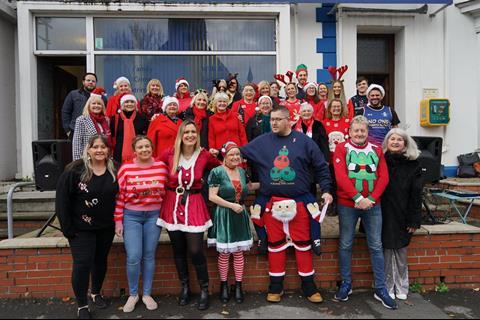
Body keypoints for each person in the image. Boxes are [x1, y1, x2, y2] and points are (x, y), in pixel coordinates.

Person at [241, 106, 333, 304]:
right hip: (271, 204)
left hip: (300, 203)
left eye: (278, 119)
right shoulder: (262, 141)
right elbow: (238, 153)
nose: (273, 123)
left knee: (303, 246)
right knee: (275, 246)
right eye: (271, 119)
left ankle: (309, 287)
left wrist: (326, 189)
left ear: (289, 120)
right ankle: (275, 287)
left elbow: (321, 167)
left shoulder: (304, 142)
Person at [332, 115, 397, 310]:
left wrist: (371, 198)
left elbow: (384, 176)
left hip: (373, 205)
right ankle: (346, 284)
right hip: (348, 205)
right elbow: (340, 175)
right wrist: (357, 198)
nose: (359, 134)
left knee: (376, 245)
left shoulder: (377, 149)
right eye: (356, 130)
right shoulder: (341, 148)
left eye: (363, 130)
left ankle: (380, 288)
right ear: (349, 132)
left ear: (367, 132)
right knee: (345, 243)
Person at [157, 120, 221, 311]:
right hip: (172, 205)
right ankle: (184, 287)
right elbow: (152, 166)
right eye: (187, 132)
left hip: (194, 204)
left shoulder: (204, 155)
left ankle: (204, 289)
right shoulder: (169, 153)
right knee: (178, 250)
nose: (190, 135)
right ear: (181, 135)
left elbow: (218, 168)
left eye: (193, 132)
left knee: (195, 250)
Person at [56, 134, 118, 319]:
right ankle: (82, 305)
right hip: (80, 228)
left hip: (106, 227)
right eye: (95, 146)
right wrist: (67, 229)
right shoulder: (74, 171)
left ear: (108, 150)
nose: (99, 150)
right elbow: (62, 201)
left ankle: (96, 292)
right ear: (88, 150)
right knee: (82, 264)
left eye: (103, 147)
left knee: (100, 261)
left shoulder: (115, 169)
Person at [114, 136, 168, 313]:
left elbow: (167, 194)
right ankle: (133, 294)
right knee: (133, 256)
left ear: (152, 148)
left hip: (153, 216)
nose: (144, 149)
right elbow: (120, 196)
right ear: (134, 150)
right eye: (140, 147)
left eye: (147, 146)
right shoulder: (126, 169)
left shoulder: (161, 167)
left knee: (149, 255)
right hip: (132, 217)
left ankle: (146, 294)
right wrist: (118, 220)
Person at [208, 142, 255, 304]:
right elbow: (212, 196)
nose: (235, 157)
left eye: (237, 154)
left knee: (238, 253)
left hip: (239, 214)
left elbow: (248, 188)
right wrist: (231, 205)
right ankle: (224, 286)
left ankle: (239, 285)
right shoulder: (217, 172)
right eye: (231, 155)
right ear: (225, 156)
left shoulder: (242, 172)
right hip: (224, 214)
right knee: (225, 253)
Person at [381, 128, 422, 301]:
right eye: (392, 139)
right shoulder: (380, 160)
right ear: (387, 142)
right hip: (383, 211)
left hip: (403, 212)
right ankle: (388, 286)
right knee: (386, 251)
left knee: (401, 251)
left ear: (405, 144)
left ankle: (402, 285)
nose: (396, 142)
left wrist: (414, 219)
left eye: (400, 140)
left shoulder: (413, 165)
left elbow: (416, 194)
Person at [110, 94, 149, 163]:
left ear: (135, 104)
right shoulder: (115, 119)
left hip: (139, 155)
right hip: (118, 157)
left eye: (132, 102)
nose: (129, 104)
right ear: (122, 104)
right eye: (126, 102)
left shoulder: (143, 118)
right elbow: (111, 136)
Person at [72, 94, 111, 161]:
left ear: (102, 106)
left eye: (99, 104)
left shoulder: (106, 120)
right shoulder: (82, 119)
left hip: (104, 158)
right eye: (93, 103)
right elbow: (77, 144)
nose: (96, 106)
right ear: (89, 106)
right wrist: (78, 162)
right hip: (88, 159)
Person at [208, 92, 248, 157]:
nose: (222, 103)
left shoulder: (235, 115)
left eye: (224, 101)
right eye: (219, 101)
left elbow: (242, 134)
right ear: (215, 103)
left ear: (227, 103)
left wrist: (245, 150)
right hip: (221, 153)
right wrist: (213, 151)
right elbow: (211, 138)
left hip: (237, 151)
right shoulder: (211, 119)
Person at [62, 72, 97, 139]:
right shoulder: (73, 94)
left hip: (95, 131)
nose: (91, 82)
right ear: (83, 82)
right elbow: (65, 112)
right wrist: (67, 130)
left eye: (93, 81)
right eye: (88, 80)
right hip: (75, 130)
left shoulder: (100, 97)